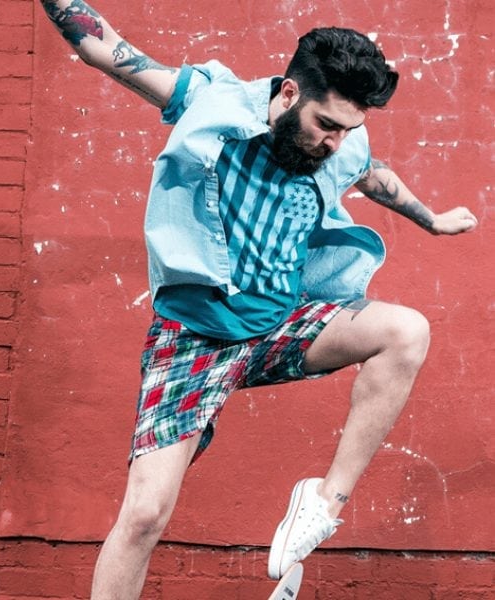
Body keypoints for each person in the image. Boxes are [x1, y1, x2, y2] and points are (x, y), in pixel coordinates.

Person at [37, 1, 479, 598]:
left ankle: (322, 502)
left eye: (347, 128)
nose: (334, 142)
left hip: (281, 325)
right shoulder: (210, 101)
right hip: (194, 339)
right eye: (326, 123)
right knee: (144, 516)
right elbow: (103, 47)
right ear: (291, 92)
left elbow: (372, 175)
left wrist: (432, 221)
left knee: (406, 331)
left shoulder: (342, 143)